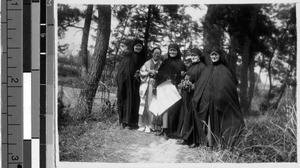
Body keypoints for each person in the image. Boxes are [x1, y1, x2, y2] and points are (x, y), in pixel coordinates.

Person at [192, 46, 245, 149]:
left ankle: (218, 144)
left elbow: (228, 88)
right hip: (206, 102)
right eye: (212, 54)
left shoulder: (224, 70)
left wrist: (220, 97)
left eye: (216, 54)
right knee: (208, 121)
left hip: (219, 103)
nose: (214, 56)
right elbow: (200, 84)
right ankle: (208, 143)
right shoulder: (207, 69)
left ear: (220, 56)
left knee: (217, 121)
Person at [153, 43, 186, 140]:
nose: (172, 52)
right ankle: (162, 129)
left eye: (174, 50)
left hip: (174, 89)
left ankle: (168, 131)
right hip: (163, 87)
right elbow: (159, 75)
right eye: (171, 50)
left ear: (177, 51)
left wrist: (176, 81)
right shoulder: (165, 62)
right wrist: (158, 85)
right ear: (168, 51)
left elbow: (182, 76)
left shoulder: (181, 63)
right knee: (163, 109)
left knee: (171, 110)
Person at [176, 48, 206, 147]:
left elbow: (203, 82)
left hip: (196, 95)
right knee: (186, 116)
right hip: (187, 95)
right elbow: (187, 77)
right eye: (192, 55)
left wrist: (193, 86)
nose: (193, 57)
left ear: (199, 57)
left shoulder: (202, 67)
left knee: (194, 116)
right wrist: (183, 82)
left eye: (195, 55)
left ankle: (194, 140)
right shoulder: (191, 66)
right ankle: (185, 137)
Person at [116, 39, 147, 129]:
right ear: (133, 47)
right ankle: (124, 121)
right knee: (126, 100)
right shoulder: (127, 57)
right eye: (136, 45)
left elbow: (145, 70)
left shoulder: (143, 58)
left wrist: (140, 74)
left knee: (136, 102)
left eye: (140, 46)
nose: (138, 47)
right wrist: (122, 80)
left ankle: (133, 121)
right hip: (127, 83)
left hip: (138, 83)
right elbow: (121, 70)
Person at [138, 47, 162, 133]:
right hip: (147, 85)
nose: (156, 55)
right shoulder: (147, 63)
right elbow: (141, 72)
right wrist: (149, 72)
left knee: (153, 104)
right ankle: (142, 124)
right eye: (155, 52)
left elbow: (163, 74)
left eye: (158, 53)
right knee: (144, 104)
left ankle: (151, 125)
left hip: (156, 86)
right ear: (152, 53)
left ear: (160, 55)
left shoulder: (161, 64)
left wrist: (157, 73)